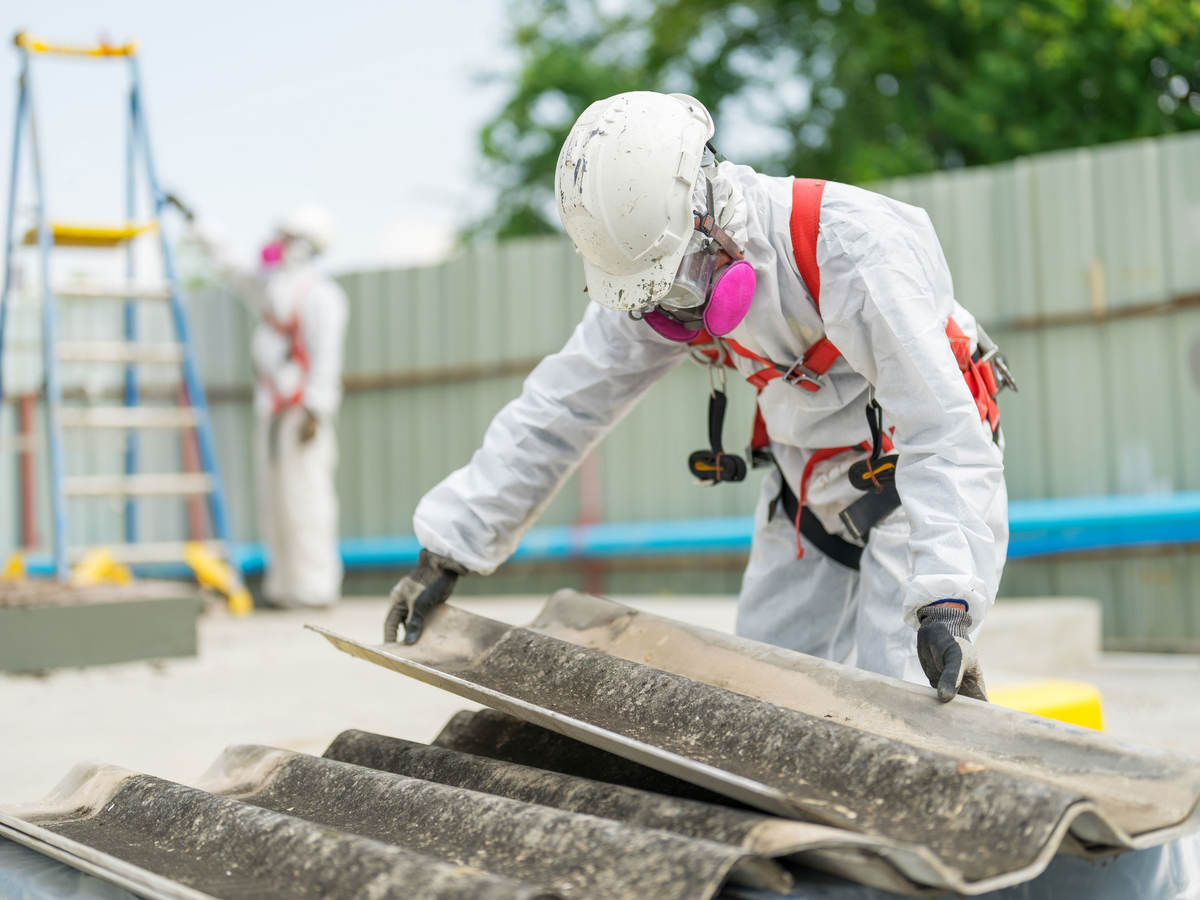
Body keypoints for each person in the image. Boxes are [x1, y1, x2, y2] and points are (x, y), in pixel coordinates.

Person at [385, 91, 1011, 702]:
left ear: (711, 211)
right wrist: (448, 549)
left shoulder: (848, 247)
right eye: (652, 298)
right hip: (806, 488)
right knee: (760, 704)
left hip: (911, 481)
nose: (669, 317)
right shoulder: (656, 272)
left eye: (678, 286)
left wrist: (947, 596)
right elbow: (563, 407)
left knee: (898, 707)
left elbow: (940, 428)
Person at [191, 206, 348, 609]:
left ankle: (315, 587)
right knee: (275, 501)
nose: (275, 243)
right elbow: (234, 269)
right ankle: (284, 587)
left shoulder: (322, 297)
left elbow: (326, 358)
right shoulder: (274, 289)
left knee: (307, 501)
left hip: (302, 416)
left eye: (285, 236)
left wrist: (316, 409)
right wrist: (200, 224)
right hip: (273, 412)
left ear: (303, 244)